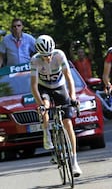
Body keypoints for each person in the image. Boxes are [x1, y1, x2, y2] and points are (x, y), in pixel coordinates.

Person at [30, 35, 82, 176]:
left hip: (59, 86)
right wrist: (40, 104)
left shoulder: (59, 55)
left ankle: (74, 162)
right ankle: (46, 134)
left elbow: (69, 77)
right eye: (45, 56)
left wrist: (72, 97)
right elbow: (34, 86)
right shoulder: (35, 60)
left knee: (68, 123)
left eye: (49, 55)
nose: (48, 58)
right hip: (43, 88)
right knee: (45, 105)